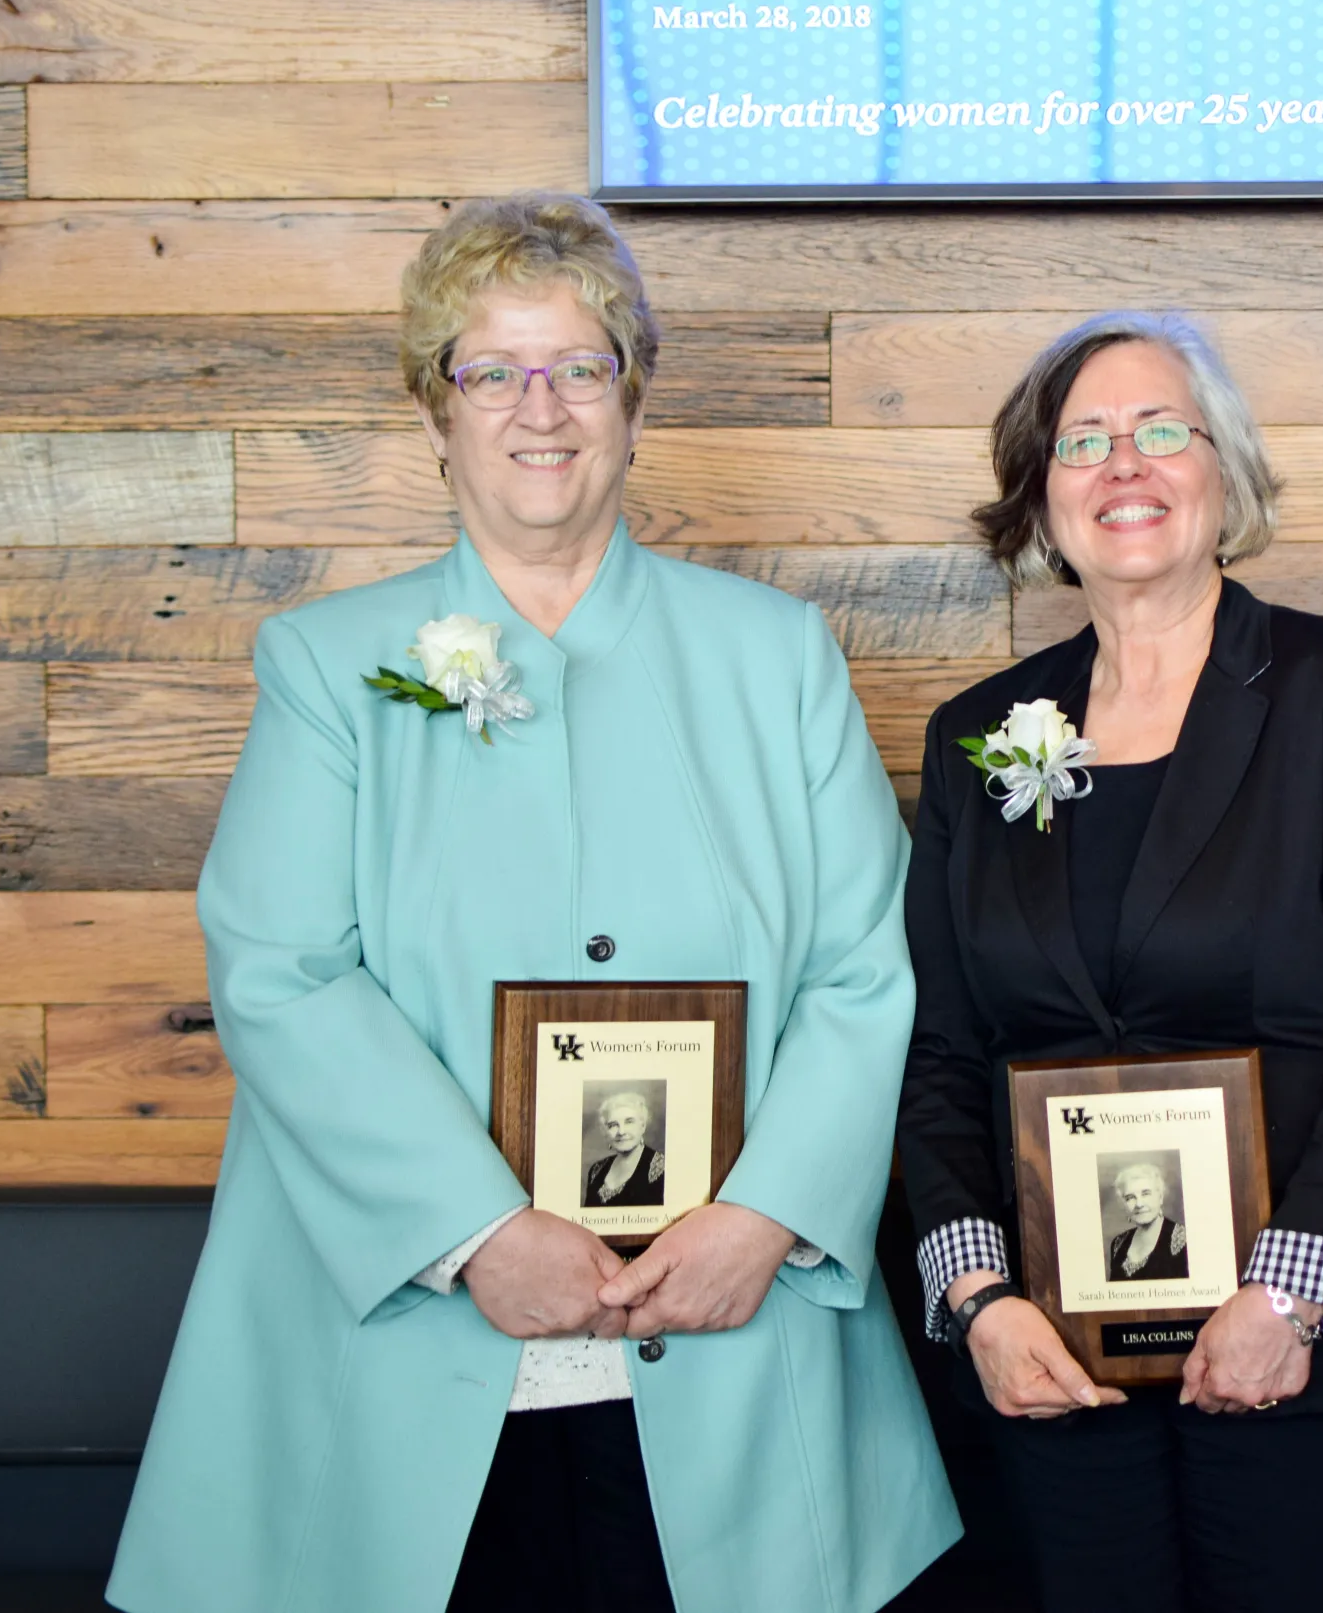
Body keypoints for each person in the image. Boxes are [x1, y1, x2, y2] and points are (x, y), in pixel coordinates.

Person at [107, 192, 958, 1613]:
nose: (539, 407)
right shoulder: (327, 665)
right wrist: (478, 1231)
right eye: (490, 370)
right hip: (419, 1350)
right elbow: (282, 971)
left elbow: (868, 969)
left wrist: (765, 1213)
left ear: (635, 399)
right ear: (434, 414)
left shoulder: (778, 655)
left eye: (580, 365)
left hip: (727, 1331)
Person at [898, 312, 1323, 1613]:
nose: (1123, 467)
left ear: (1226, 470)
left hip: (1300, 1356)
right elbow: (938, 1050)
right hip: (1056, 1360)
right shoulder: (979, 734)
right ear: (1043, 499)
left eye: (1161, 431)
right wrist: (980, 1300)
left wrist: (1291, 1296)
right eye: (1082, 442)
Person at [1105, 1159, 1189, 1281]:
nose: (1139, 1204)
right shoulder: (1118, 1244)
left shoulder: (1183, 1239)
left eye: (1146, 1194)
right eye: (1130, 1198)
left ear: (1160, 1197)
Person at [585, 1090, 666, 1208]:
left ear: (642, 1126)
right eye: (613, 1125)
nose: (621, 1132)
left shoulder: (662, 1167)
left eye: (629, 1122)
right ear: (605, 1131)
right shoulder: (596, 1170)